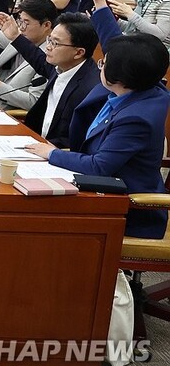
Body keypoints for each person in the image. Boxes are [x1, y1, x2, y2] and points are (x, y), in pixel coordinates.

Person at [25, 32, 169, 239]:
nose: (99, 66)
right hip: (103, 188)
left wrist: (52, 154)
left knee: (37, 216)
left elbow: (99, 166)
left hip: (127, 207)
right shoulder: (140, 88)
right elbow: (135, 50)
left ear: (120, 75)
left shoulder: (137, 118)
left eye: (104, 63)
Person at [0, 12, 100, 148]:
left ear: (79, 52)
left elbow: (78, 140)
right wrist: (16, 37)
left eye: (55, 43)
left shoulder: (91, 89)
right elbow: (38, 59)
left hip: (56, 153)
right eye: (49, 40)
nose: (48, 47)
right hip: (36, 141)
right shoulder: (62, 66)